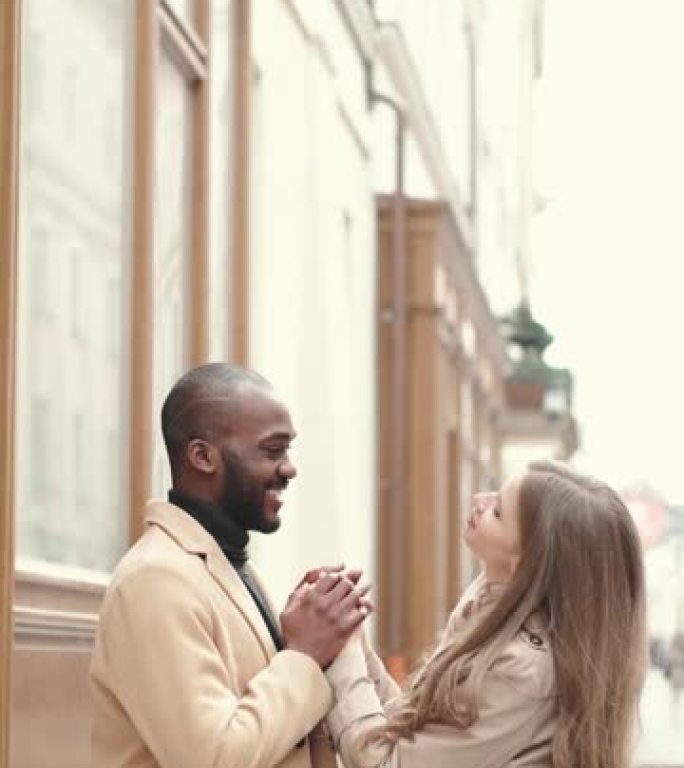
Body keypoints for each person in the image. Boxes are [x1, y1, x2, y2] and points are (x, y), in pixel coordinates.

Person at [90, 363, 372, 768]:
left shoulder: (226, 566)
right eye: (272, 451)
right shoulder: (154, 581)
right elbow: (213, 757)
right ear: (203, 456)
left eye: (288, 450)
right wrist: (305, 653)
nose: (289, 468)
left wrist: (310, 635)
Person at [323, 460, 647, 768]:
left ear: (526, 561)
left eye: (497, 511)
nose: (479, 500)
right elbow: (419, 733)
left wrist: (344, 652)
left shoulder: (522, 670)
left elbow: (387, 763)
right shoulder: (492, 606)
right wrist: (354, 645)